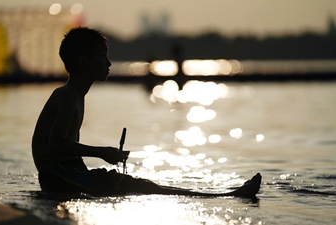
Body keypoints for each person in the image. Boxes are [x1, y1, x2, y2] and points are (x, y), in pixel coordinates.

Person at [32, 27, 261, 198]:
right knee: (138, 187)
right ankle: (227, 197)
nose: (109, 63)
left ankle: (225, 195)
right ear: (83, 62)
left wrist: (98, 166)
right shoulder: (68, 96)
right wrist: (102, 152)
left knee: (137, 184)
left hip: (65, 173)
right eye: (103, 56)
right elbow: (56, 145)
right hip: (57, 177)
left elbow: (65, 152)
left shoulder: (75, 95)